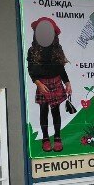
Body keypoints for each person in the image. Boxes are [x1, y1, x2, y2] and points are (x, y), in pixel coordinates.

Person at [27, 17, 71, 152]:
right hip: (42, 84)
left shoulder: (57, 49)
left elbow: (61, 69)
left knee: (55, 111)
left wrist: (67, 82)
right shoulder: (32, 50)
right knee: (44, 110)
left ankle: (57, 137)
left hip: (55, 82)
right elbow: (31, 70)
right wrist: (38, 83)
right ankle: (45, 138)